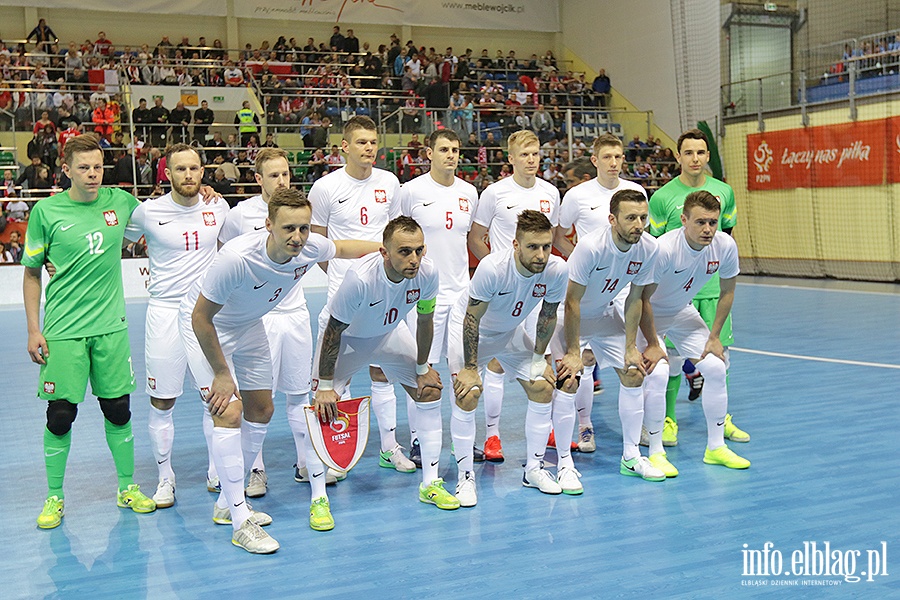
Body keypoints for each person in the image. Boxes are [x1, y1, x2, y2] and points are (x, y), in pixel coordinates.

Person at [185, 188, 374, 551]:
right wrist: (222, 374)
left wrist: (386, 248)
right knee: (230, 410)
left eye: (304, 228)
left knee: (262, 408)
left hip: (248, 324)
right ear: (268, 225)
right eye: (288, 228)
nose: (297, 237)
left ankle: (227, 503)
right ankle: (240, 520)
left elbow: (346, 248)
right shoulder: (237, 258)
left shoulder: (310, 247)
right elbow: (200, 317)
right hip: (206, 327)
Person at [23, 134, 157, 530]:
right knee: (61, 415)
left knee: (118, 409)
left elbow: (166, 215)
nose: (93, 174)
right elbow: (31, 274)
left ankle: (127, 486)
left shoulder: (121, 202)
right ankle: (54, 496)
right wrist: (34, 329)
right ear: (66, 170)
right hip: (63, 330)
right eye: (84, 167)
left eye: (98, 166)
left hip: (111, 328)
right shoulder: (46, 212)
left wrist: (204, 192)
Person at [217, 148, 352, 499]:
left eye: (286, 173)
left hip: (295, 315)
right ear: (258, 179)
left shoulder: (299, 215)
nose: (282, 180)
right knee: (257, 400)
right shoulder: (239, 215)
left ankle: (306, 461)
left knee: (298, 395)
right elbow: (223, 255)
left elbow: (335, 246)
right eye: (274, 175)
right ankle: (255, 470)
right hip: (257, 319)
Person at [313, 216, 457, 511]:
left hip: (389, 333)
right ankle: (319, 498)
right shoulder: (361, 279)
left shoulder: (427, 272)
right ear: (384, 252)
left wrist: (422, 368)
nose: (414, 259)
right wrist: (326, 386)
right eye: (404, 251)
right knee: (321, 406)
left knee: (429, 390)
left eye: (419, 250)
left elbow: (425, 320)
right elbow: (333, 331)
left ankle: (430, 483)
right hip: (348, 340)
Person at [123, 144, 229, 509]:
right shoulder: (146, 212)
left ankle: (216, 469)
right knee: (162, 399)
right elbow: (111, 244)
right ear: (167, 174)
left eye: (194, 169)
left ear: (203, 172)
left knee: (214, 397)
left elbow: (234, 254)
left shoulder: (219, 207)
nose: (188, 175)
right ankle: (165, 478)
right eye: (180, 169)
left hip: (207, 315)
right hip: (164, 313)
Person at [309, 116, 413, 472]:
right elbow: (320, 245)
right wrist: (343, 278)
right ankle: (337, 455)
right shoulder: (325, 187)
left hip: (388, 295)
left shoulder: (389, 182)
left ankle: (389, 447)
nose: (369, 148)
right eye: (362, 142)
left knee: (383, 372)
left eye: (373, 142)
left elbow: (398, 234)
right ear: (345, 146)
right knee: (336, 381)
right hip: (346, 298)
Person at [554, 190, 668, 491]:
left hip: (604, 316)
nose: (639, 224)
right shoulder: (591, 247)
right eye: (631, 218)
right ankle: (564, 462)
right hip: (567, 318)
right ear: (612, 219)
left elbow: (635, 298)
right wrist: (576, 350)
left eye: (643, 217)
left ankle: (631, 456)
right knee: (568, 381)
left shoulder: (648, 247)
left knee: (634, 373)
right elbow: (571, 301)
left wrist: (631, 347)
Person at [453, 211, 567, 501]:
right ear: (516, 245)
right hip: (472, 329)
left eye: (546, 246)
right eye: (532, 247)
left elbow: (547, 316)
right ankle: (465, 477)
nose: (541, 255)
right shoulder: (492, 268)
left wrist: (540, 358)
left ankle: (534, 468)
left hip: (510, 332)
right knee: (468, 393)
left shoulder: (556, 269)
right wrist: (469, 368)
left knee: (542, 386)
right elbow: (471, 319)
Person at [646, 128, 748, 447]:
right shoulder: (663, 197)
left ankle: (722, 419)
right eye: (688, 152)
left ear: (707, 156)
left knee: (719, 356)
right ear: (678, 157)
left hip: (711, 288)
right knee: (672, 361)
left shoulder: (723, 192)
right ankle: (668, 420)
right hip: (672, 293)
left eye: (701, 152)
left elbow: (725, 236)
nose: (695, 158)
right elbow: (655, 246)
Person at [390, 129, 482, 470]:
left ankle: (465, 439)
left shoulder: (469, 192)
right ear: (429, 152)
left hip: (460, 295)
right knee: (421, 368)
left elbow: (471, 238)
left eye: (456, 150)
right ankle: (418, 437)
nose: (451, 155)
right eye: (443, 149)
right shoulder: (411, 191)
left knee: (462, 369)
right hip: (422, 295)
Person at [467, 130, 561, 462]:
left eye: (535, 154)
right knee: (497, 362)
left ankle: (546, 424)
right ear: (510, 159)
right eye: (524, 154)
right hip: (504, 290)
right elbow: (477, 237)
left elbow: (554, 240)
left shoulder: (551, 192)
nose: (531, 159)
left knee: (541, 356)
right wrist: (495, 273)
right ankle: (492, 435)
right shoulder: (494, 193)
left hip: (537, 289)